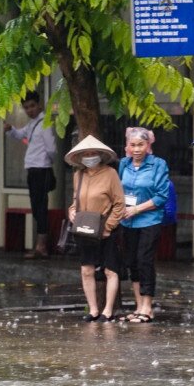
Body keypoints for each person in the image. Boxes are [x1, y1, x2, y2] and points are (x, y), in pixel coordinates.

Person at [65, 135, 125, 322]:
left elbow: (119, 204)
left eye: (93, 153)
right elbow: (76, 200)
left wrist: (109, 226)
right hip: (85, 229)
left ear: (100, 154)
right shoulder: (78, 175)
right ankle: (93, 310)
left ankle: (108, 310)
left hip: (106, 228)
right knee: (87, 270)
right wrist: (72, 211)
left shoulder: (110, 174)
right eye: (86, 153)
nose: (90, 156)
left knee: (110, 270)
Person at [118, 127, 171, 324]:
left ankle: (148, 306)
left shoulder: (158, 165)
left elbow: (161, 196)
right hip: (127, 220)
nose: (137, 149)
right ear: (128, 147)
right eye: (133, 145)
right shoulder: (124, 164)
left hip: (149, 220)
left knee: (144, 260)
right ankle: (138, 305)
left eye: (140, 144)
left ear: (148, 145)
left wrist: (137, 209)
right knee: (132, 261)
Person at [4, 91, 57, 259]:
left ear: (39, 105)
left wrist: (46, 162)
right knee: (37, 208)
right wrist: (10, 129)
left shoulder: (45, 122)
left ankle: (42, 246)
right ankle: (40, 245)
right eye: (26, 107)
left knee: (40, 207)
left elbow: (52, 149)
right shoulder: (34, 123)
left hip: (41, 169)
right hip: (34, 169)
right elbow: (21, 135)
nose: (30, 110)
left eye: (32, 106)